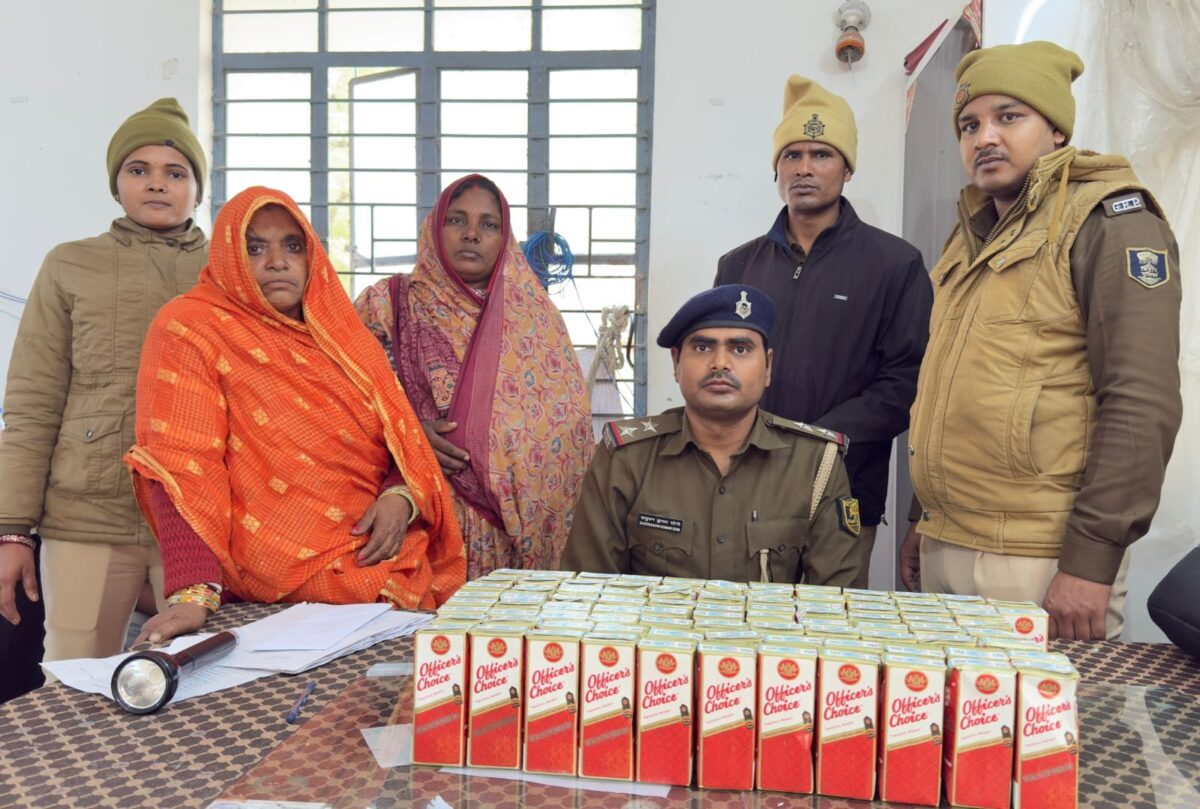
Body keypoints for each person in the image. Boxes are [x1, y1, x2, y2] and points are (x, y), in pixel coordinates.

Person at [899, 41, 1182, 641]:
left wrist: (1091, 559)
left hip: (1039, 557)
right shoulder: (970, 236)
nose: (985, 137)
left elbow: (1140, 400)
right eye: (969, 125)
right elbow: (948, 389)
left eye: (1009, 117)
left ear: (1055, 128)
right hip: (948, 541)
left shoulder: (1108, 222)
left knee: (1048, 708)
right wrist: (924, 518)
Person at [125, 186, 465, 645]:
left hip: (384, 568)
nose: (277, 262)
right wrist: (193, 593)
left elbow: (399, 442)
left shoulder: (344, 338)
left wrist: (399, 497)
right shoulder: (191, 328)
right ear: (227, 255)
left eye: (292, 246)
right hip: (269, 583)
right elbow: (182, 465)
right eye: (255, 248)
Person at [0, 98, 208, 671]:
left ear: (198, 190)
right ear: (116, 185)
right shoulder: (70, 264)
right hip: (85, 519)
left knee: (202, 677)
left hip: (200, 520)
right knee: (74, 677)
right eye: (138, 169)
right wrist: (12, 531)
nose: (157, 183)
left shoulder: (226, 271)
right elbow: (32, 403)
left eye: (176, 172)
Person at [716, 76, 931, 587]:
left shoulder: (894, 264)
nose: (804, 168)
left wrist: (815, 442)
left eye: (822, 154)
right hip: (747, 484)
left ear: (847, 168)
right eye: (792, 155)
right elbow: (720, 368)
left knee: (832, 625)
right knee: (742, 621)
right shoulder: (738, 266)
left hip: (845, 489)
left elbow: (906, 382)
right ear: (777, 168)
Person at [355, 174, 593, 579]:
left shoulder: (534, 318)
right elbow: (342, 400)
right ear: (434, 227)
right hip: (415, 514)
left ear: (505, 239)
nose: (471, 234)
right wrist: (406, 435)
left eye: (489, 224)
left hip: (514, 532)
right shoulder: (386, 304)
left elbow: (566, 431)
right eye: (456, 220)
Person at [561, 285, 864, 584]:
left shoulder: (816, 463)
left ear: (768, 366)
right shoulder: (626, 459)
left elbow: (837, 599)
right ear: (676, 363)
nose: (720, 363)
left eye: (740, 349)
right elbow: (587, 588)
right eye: (702, 348)